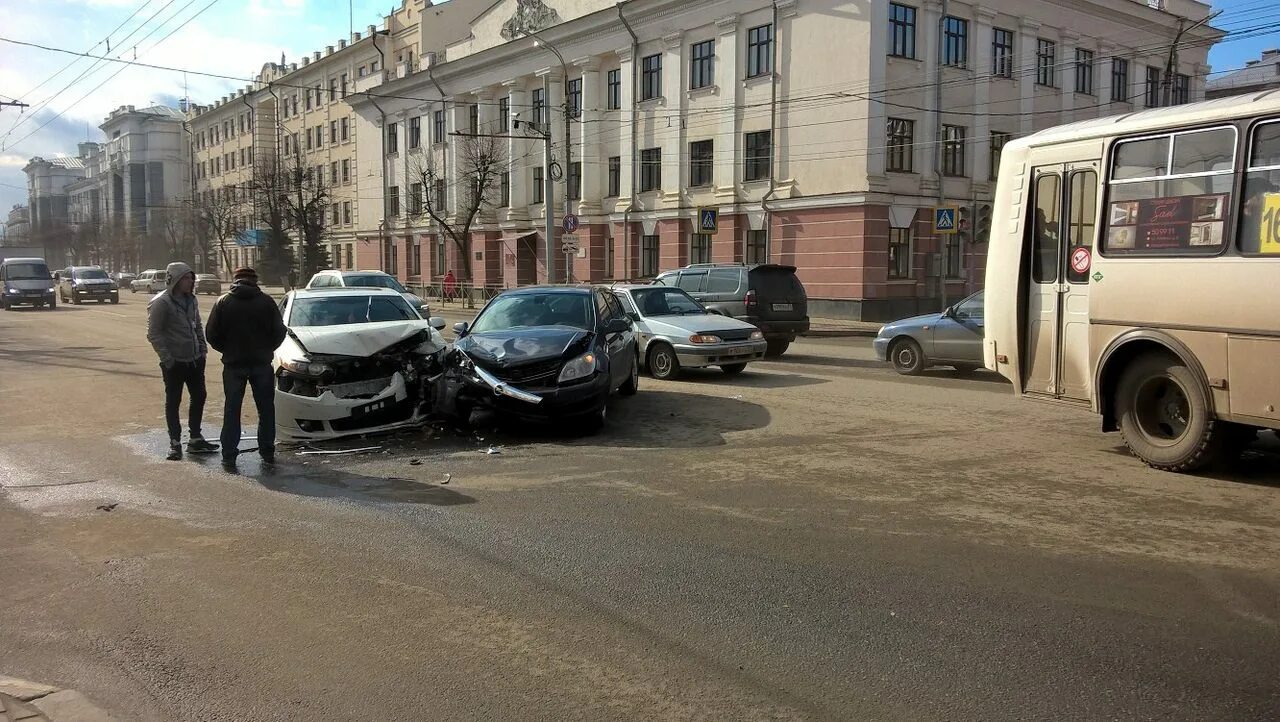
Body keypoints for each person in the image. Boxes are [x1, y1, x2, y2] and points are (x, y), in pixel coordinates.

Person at [206, 267, 287, 469]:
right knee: (266, 410)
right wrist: (267, 349)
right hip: (261, 364)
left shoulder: (223, 302)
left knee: (232, 410)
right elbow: (279, 331)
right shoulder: (267, 302)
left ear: (236, 280)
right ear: (255, 280)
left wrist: (228, 350)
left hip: (234, 365)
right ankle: (267, 452)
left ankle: (229, 454)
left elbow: (211, 334)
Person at [147, 262, 218, 461]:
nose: (191, 282)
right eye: (186, 278)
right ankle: (175, 442)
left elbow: (197, 325)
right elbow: (154, 334)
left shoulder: (191, 300)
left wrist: (202, 349)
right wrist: (168, 359)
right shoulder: (162, 302)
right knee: (173, 401)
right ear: (175, 280)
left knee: (199, 396)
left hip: (194, 360)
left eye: (191, 278)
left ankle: (195, 438)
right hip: (175, 362)